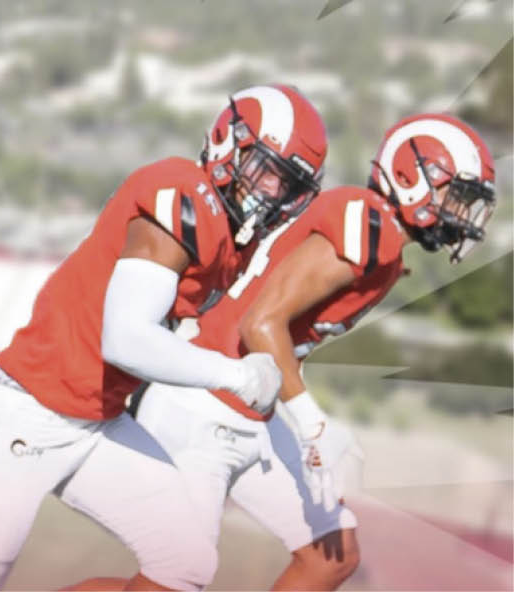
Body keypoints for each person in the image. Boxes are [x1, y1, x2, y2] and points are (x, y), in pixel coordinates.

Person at [0, 84, 329, 591]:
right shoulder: (184, 192)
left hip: (98, 418)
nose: (272, 192)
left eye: (287, 185)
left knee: (186, 563)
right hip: (29, 408)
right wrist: (235, 375)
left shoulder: (232, 241)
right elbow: (126, 340)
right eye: (265, 170)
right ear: (229, 142)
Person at [133, 112, 496, 590]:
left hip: (247, 410)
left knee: (332, 554)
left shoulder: (380, 240)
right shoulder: (370, 224)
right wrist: (313, 424)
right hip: (200, 407)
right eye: (457, 195)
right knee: (174, 581)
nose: (461, 213)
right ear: (411, 179)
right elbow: (260, 324)